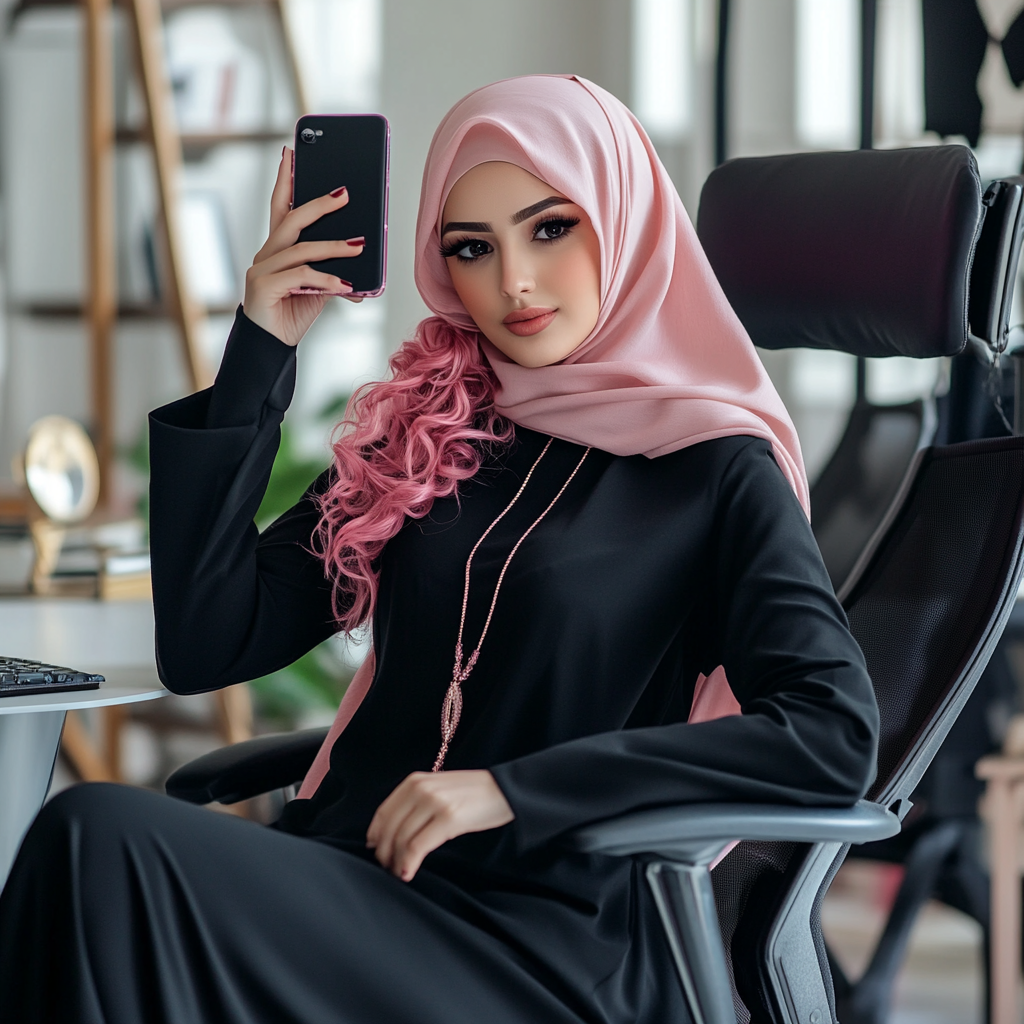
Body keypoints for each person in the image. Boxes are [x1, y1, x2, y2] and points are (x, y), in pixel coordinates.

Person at [0, 74, 878, 1023]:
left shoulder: (716, 465)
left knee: (95, 840)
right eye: (472, 248)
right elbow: (210, 641)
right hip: (350, 877)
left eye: (551, 228)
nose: (514, 283)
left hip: (542, 940)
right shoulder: (431, 426)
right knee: (94, 865)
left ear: (625, 218)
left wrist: (512, 791)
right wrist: (262, 347)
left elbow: (829, 735)